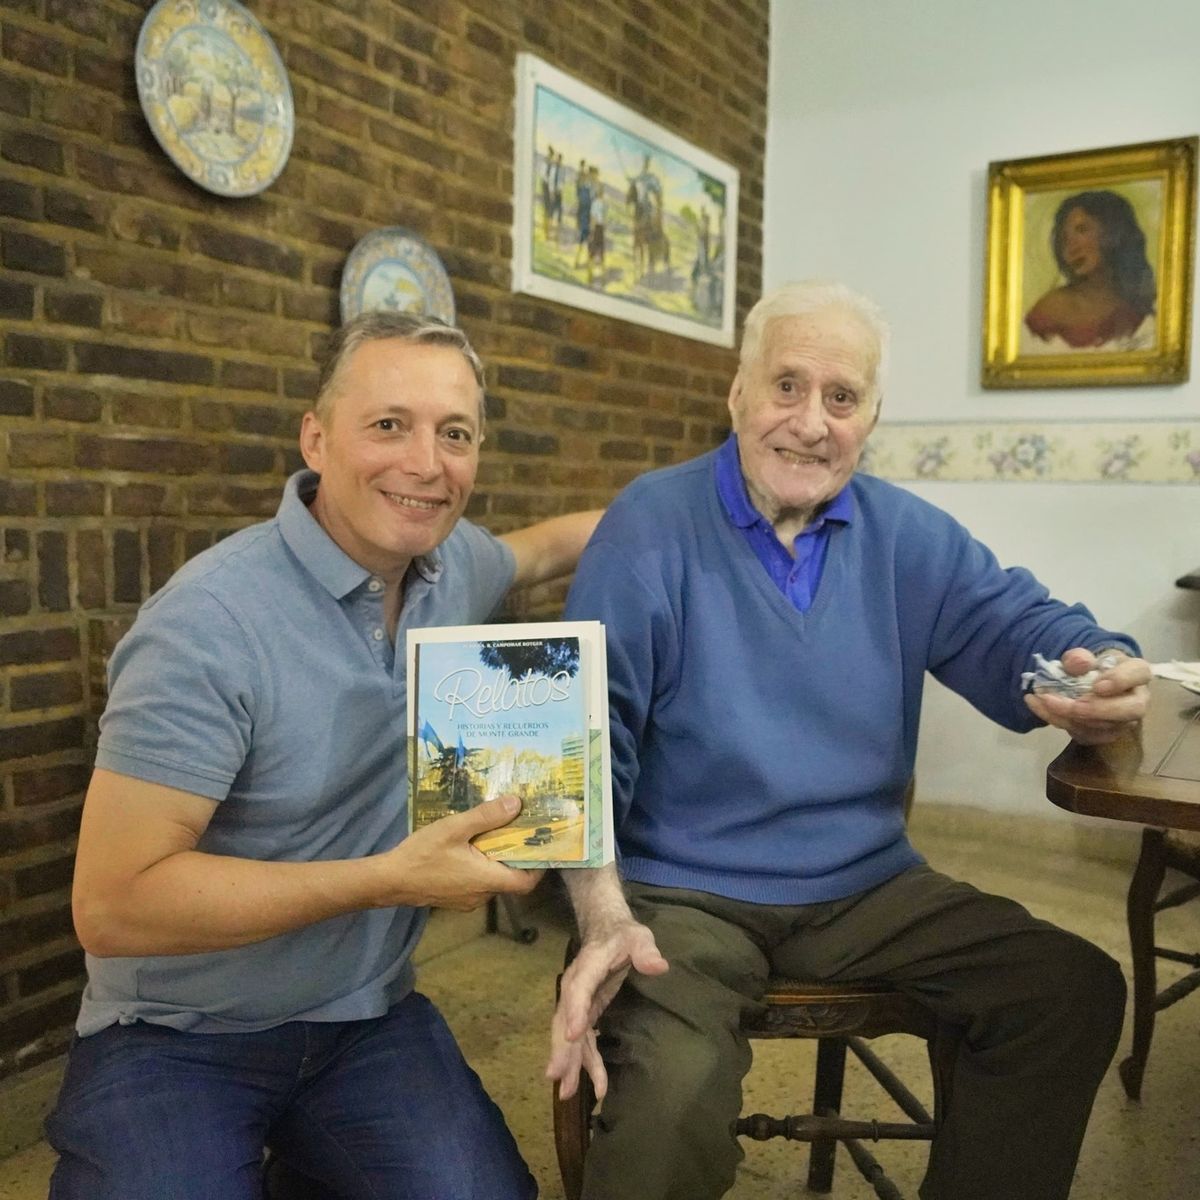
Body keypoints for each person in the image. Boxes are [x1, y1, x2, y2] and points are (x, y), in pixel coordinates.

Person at [549, 281, 1152, 1200]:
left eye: (842, 397)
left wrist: (1100, 666)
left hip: (867, 889)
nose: (810, 422)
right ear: (738, 394)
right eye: (786, 386)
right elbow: (580, 737)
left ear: (872, 416)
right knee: (668, 1101)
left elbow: (1022, 626)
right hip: (683, 895)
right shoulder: (651, 525)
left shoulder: (904, 533)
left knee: (1065, 991)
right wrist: (602, 912)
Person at [47, 311, 604, 1200]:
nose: (426, 462)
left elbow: (541, 549)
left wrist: (692, 512)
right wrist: (392, 877)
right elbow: (113, 906)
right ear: (316, 438)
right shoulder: (207, 625)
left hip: (364, 1020)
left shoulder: (448, 565)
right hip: (176, 1032)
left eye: (453, 434)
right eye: (389, 425)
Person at [1024, 189, 1157, 350]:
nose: (1070, 248)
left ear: (1113, 233)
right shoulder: (1052, 309)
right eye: (1064, 238)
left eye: (1082, 230)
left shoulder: (1138, 305)